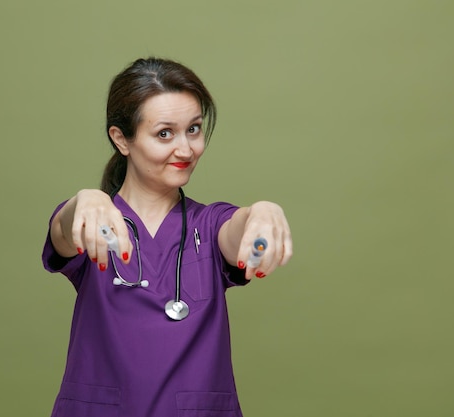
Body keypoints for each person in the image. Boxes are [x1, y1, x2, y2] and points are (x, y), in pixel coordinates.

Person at [41, 57, 293, 417]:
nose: (186, 149)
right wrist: (85, 201)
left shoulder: (208, 224)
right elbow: (65, 230)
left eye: (193, 129)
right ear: (121, 140)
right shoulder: (94, 222)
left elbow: (238, 229)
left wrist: (264, 211)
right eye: (164, 133)